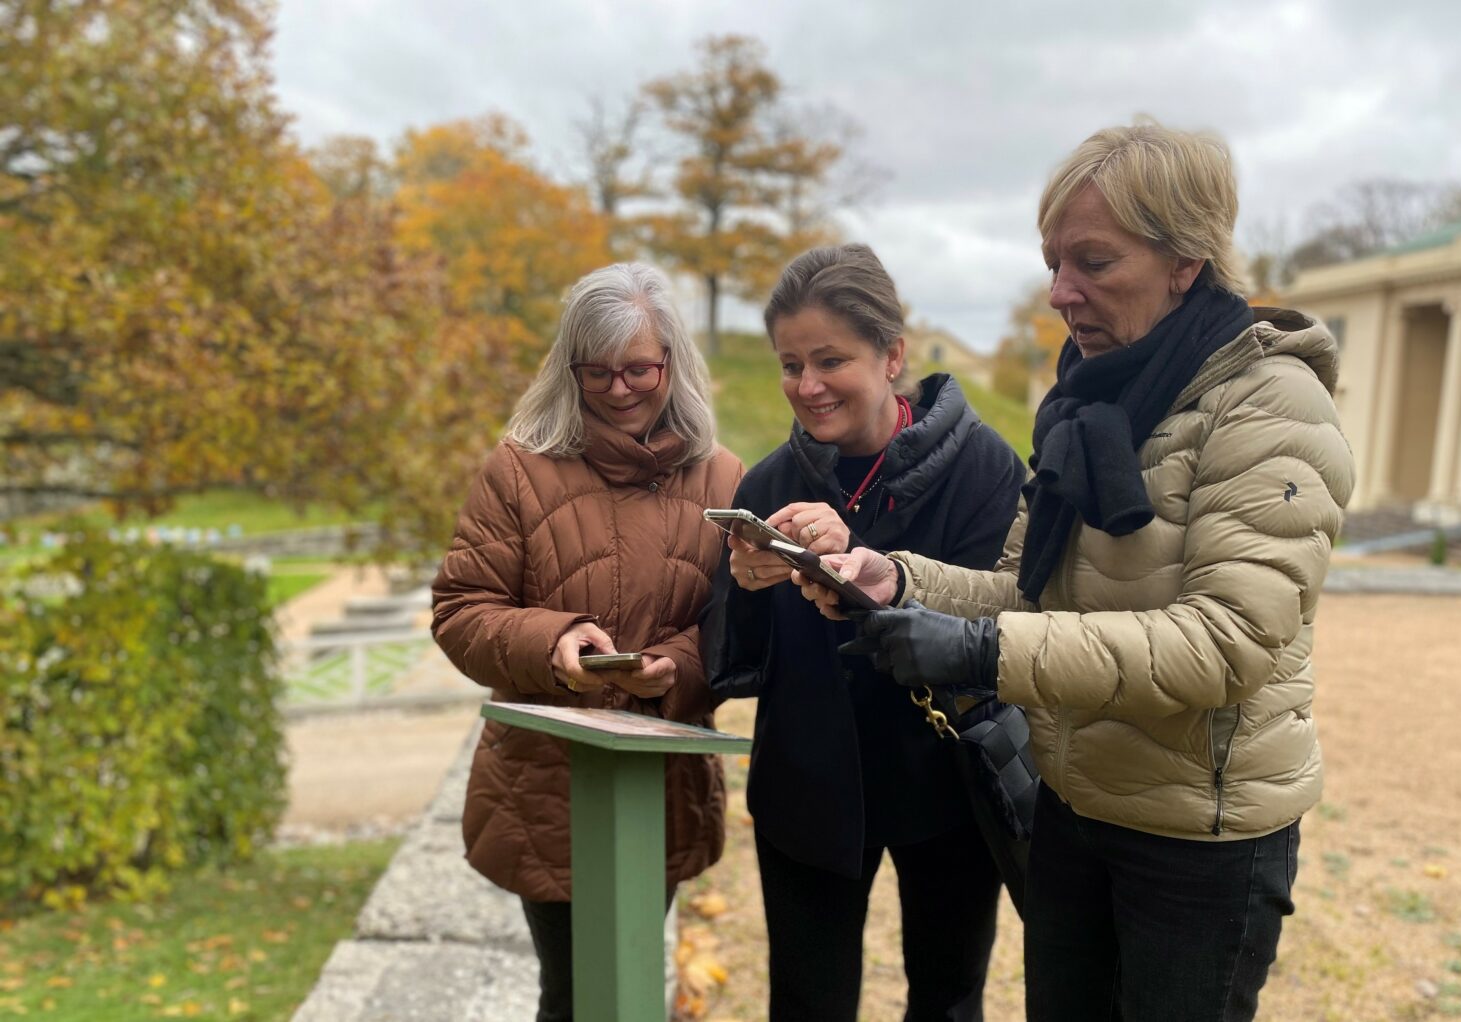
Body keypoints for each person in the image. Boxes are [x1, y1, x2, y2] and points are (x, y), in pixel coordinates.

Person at [800, 122, 1356, 1021]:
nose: (1061, 292)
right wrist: (895, 581)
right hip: (1070, 805)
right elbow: (1029, 592)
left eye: (1094, 262)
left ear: (1185, 261)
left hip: (1196, 843)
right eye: (1054, 261)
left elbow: (1226, 646)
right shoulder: (1089, 399)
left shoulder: (1272, 406)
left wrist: (979, 653)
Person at [704, 243, 1027, 1021]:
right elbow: (737, 660)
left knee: (949, 1001)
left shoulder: (985, 468)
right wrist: (744, 587)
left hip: (947, 782)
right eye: (789, 364)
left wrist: (850, 554)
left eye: (829, 360)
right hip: (807, 784)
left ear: (892, 356)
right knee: (808, 1005)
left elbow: (1000, 628)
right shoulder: (770, 482)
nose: (806, 387)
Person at [431, 263, 742, 1022]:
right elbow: (460, 609)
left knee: (637, 977)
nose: (618, 387)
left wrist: (679, 668)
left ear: (673, 362)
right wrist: (555, 640)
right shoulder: (517, 470)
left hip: (659, 778)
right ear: (569, 367)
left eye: (638, 368)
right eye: (596, 370)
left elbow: (739, 630)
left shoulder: (723, 479)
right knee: (572, 994)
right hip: (545, 782)